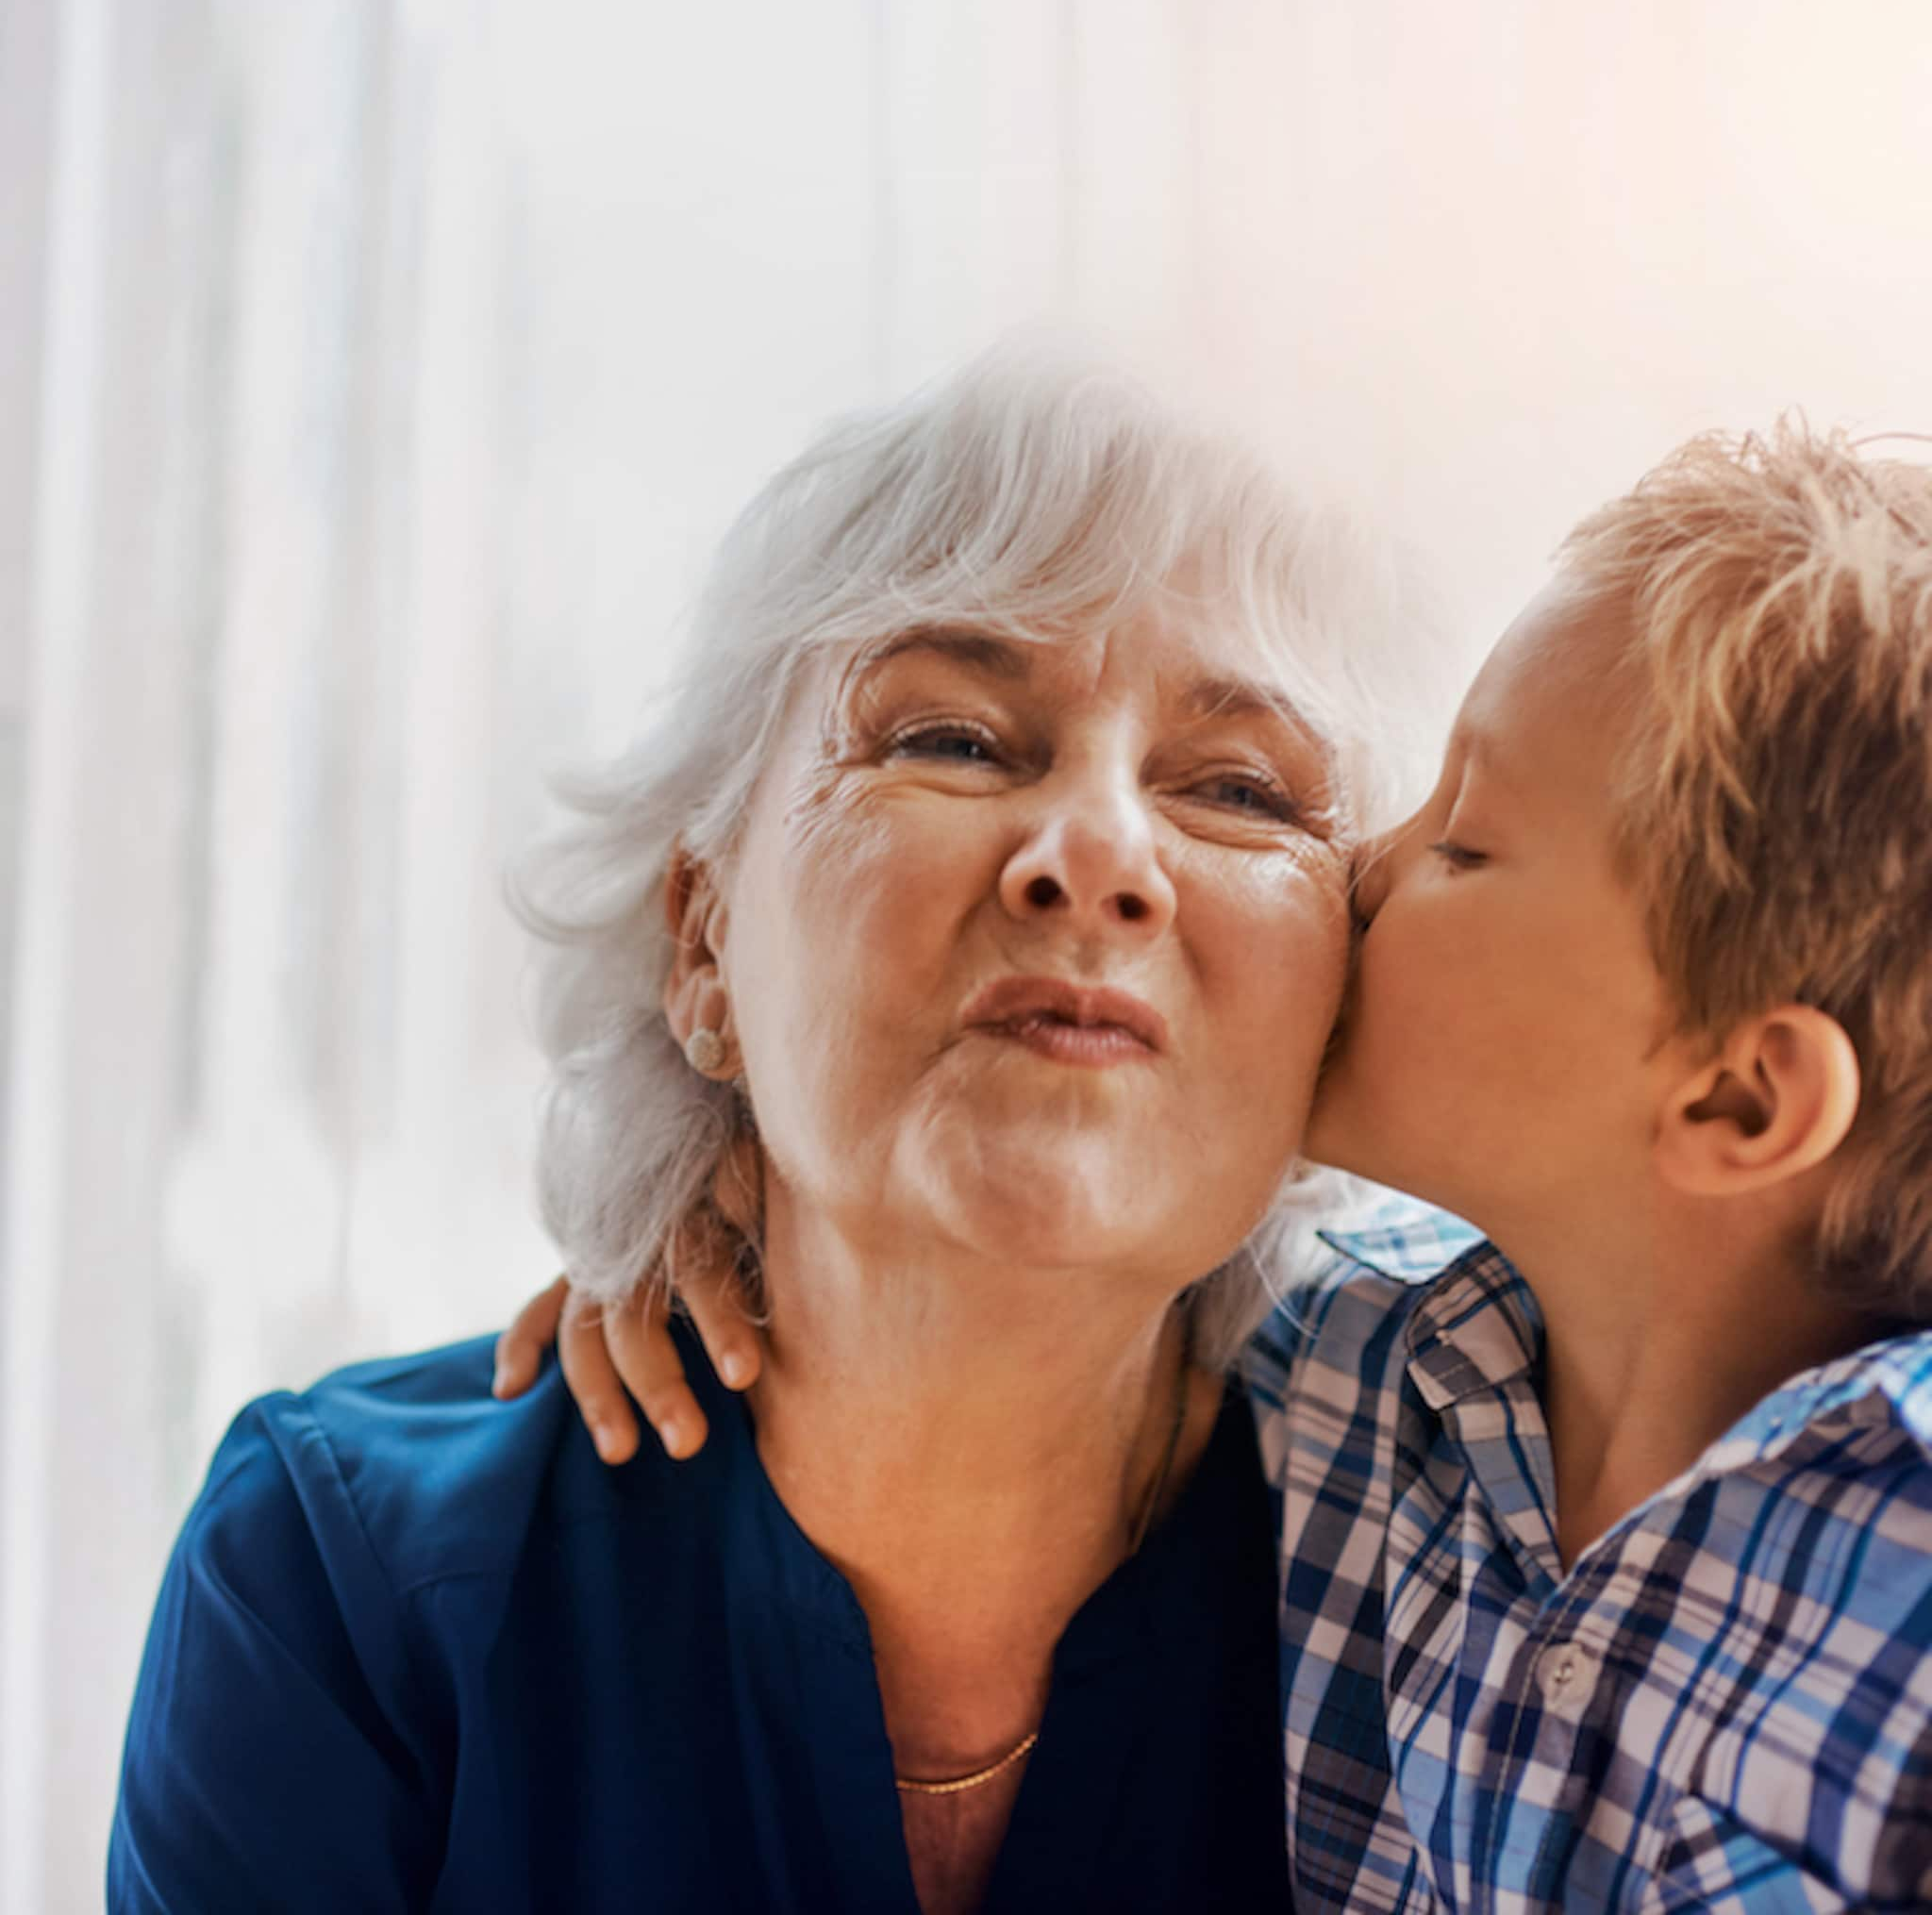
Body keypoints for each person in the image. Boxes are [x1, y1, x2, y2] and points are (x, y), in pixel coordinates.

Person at [506, 423, 1932, 1908]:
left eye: (1466, 842)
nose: (1361, 868)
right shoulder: (1362, 1383)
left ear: (1741, 1102)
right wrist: (701, 1208)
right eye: (953, 740)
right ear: (702, 929)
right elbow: (1019, 1295)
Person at [109, 352, 1433, 1913]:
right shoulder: (341, 1580)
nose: (1097, 854)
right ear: (701, 942)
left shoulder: (1453, 1596)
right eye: (951, 738)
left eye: (1237, 789)